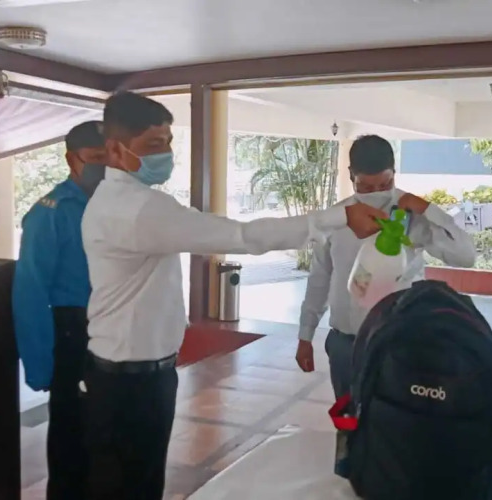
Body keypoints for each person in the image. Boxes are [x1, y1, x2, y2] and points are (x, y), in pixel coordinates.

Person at [79, 91, 389, 500]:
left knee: (136, 482)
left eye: (168, 141)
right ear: (117, 150)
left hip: (134, 374)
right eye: (153, 144)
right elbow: (242, 236)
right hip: (129, 382)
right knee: (129, 486)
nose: (166, 154)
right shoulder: (136, 209)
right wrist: (337, 217)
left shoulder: (127, 202)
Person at [295, 134, 477, 399]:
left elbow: (466, 257)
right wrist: (305, 334)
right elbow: (320, 278)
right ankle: (348, 428)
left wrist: (429, 209)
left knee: (394, 415)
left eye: (385, 184)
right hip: (346, 342)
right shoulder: (336, 219)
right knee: (347, 413)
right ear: (351, 175)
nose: (377, 193)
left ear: (394, 173)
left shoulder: (413, 215)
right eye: (366, 187)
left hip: (400, 342)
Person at [12, 121, 106, 500]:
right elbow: (30, 291)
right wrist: (39, 366)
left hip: (116, 330)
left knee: (109, 437)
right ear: (72, 160)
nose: (105, 168)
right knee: (72, 440)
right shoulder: (49, 214)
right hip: (73, 333)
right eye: (95, 159)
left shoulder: (118, 205)